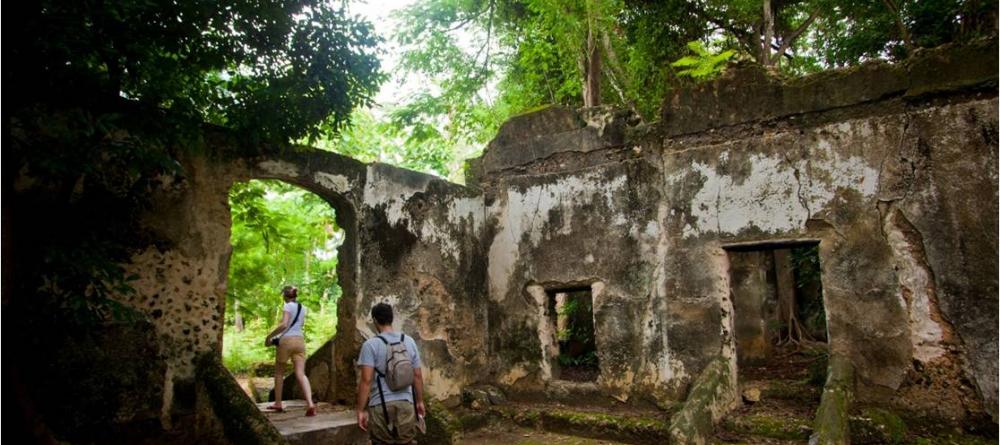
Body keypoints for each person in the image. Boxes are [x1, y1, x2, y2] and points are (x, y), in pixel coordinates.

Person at [356, 303, 425, 444]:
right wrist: (419, 401)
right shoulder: (409, 341)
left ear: (375, 320)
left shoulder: (370, 345)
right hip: (406, 402)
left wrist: (361, 409)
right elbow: (417, 375)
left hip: (380, 405)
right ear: (391, 318)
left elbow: (366, 380)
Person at [264, 285, 316, 417]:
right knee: (301, 374)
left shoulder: (287, 306)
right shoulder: (303, 308)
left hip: (286, 341)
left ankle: (278, 403)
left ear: (285, 296)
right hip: (300, 341)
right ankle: (310, 403)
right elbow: (299, 325)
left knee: (279, 373)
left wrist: (270, 336)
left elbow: (284, 324)